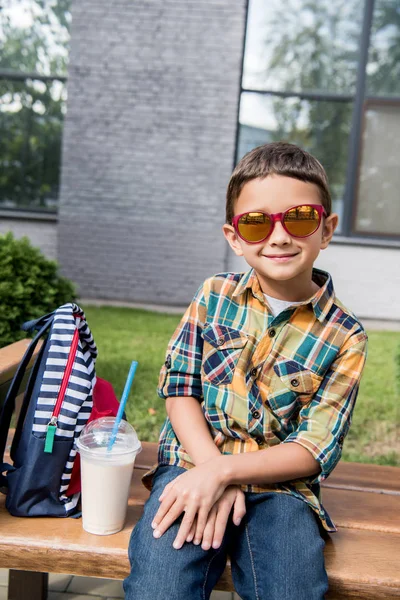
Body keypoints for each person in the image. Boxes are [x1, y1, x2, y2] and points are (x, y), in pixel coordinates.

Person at [123, 142, 368, 600]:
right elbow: (180, 389)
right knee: (160, 584)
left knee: (292, 589)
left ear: (326, 228)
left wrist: (229, 473)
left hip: (283, 490)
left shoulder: (345, 336)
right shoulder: (213, 295)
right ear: (234, 236)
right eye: (256, 223)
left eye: (298, 218)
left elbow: (315, 448)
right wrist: (214, 471)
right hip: (192, 466)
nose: (278, 237)